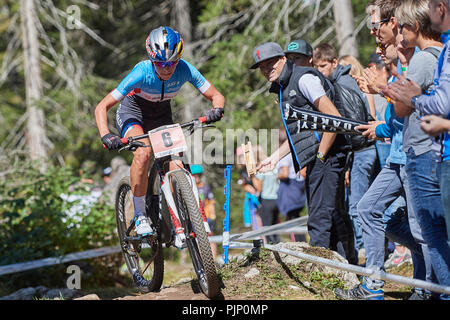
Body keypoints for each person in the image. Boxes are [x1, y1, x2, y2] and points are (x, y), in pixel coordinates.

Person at [335, 0, 431, 300]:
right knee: (367, 209)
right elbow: (398, 120)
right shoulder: (400, 59)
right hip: (398, 158)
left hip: (419, 158)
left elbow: (416, 110)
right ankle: (374, 285)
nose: (373, 33)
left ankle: (430, 288)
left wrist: (382, 90)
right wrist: (378, 127)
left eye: (375, 24)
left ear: (395, 22)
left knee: (422, 230)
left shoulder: (420, 57)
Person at [94, 26, 225, 236]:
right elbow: (101, 107)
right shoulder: (141, 72)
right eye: (161, 63)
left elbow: (216, 95)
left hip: (161, 115)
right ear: (152, 59)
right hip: (133, 113)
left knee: (177, 162)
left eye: (172, 63)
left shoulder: (185, 69)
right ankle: (140, 215)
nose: (167, 68)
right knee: (143, 152)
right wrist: (105, 135)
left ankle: (185, 215)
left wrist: (217, 109)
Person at [252, 41, 357, 265]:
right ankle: (347, 268)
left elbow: (334, 118)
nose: (265, 69)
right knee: (332, 215)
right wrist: (273, 158)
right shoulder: (283, 86)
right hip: (318, 157)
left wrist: (320, 156)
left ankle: (320, 273)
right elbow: (298, 134)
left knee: (319, 219)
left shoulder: (304, 79)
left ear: (283, 60)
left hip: (328, 155)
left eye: (270, 63)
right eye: (261, 66)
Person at [381, 0, 450, 298]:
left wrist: (387, 90)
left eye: (403, 27)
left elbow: (402, 107)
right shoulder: (438, 53)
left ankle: (436, 291)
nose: (400, 35)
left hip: (424, 153)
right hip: (430, 150)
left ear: (415, 28)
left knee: (431, 232)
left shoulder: (423, 59)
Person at [314, 43, 379, 254]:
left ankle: (365, 253)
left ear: (334, 62)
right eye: (317, 66)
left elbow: (353, 121)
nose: (319, 71)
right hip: (358, 151)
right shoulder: (340, 80)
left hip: (361, 149)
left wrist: (345, 149)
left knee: (358, 207)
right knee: (354, 206)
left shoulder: (342, 83)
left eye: (323, 66)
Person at [275, 128, 307, 242]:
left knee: (292, 221)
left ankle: (298, 243)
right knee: (297, 219)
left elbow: (285, 173)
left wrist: (275, 175)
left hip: (290, 191)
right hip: (298, 188)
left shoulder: (284, 155)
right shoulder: (295, 151)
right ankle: (302, 241)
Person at [254, 146, 281, 244]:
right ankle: (278, 245)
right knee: (275, 225)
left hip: (266, 200)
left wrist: (252, 177)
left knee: (267, 227)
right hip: (276, 199)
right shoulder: (273, 166)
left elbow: (259, 188)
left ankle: (271, 248)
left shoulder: (262, 169)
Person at [190, 164, 217, 259]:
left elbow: (211, 202)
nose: (197, 178)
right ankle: (203, 260)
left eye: (198, 175)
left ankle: (213, 259)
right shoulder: (189, 189)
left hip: (207, 216)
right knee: (199, 240)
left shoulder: (206, 187)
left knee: (210, 237)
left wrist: (213, 215)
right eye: (195, 176)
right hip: (195, 218)